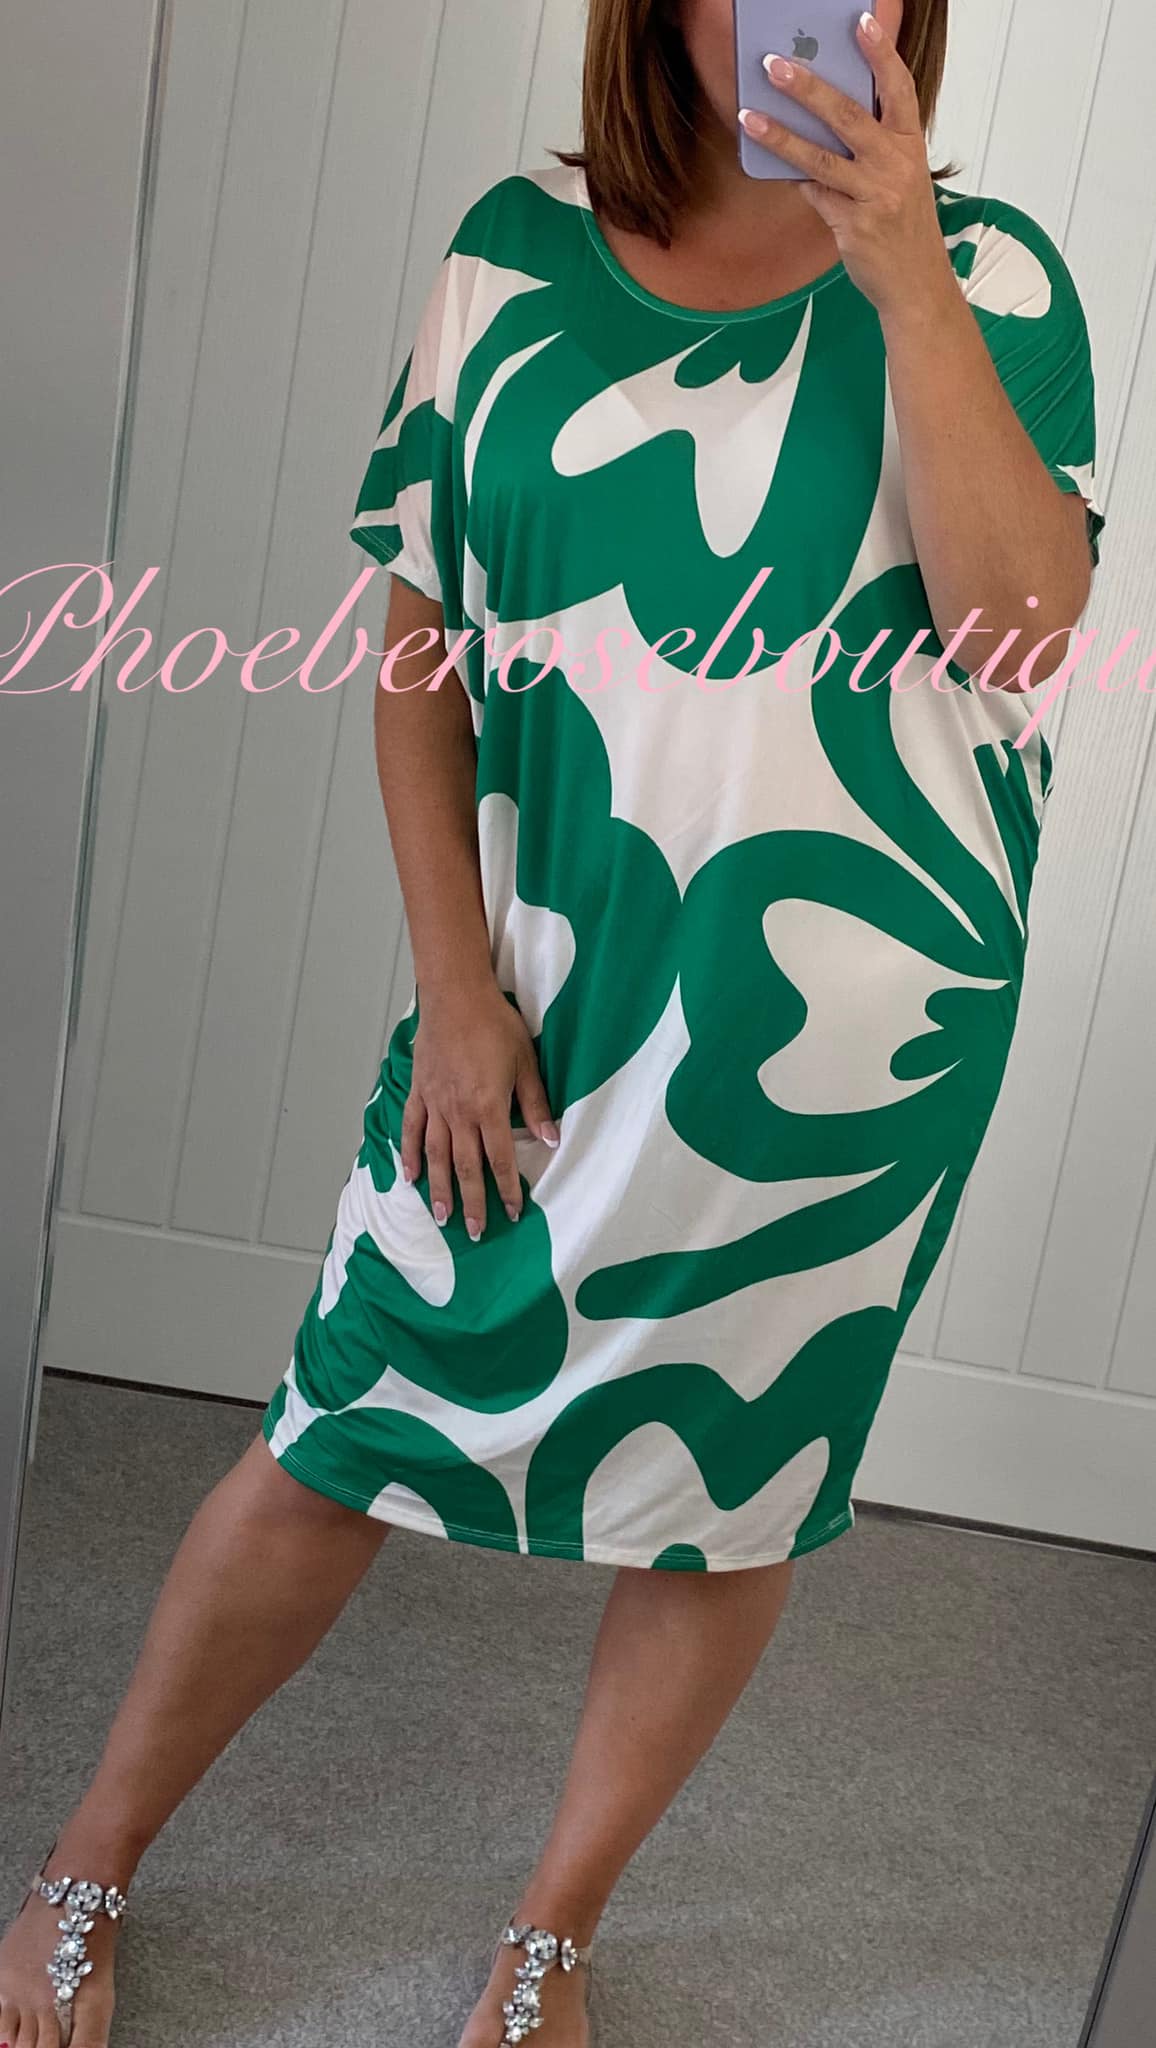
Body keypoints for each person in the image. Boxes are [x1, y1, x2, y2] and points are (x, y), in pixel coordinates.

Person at [1, 0, 1105, 2042]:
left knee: (722, 1501)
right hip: (545, 1001)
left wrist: (905, 280)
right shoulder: (512, 253)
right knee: (335, 1436)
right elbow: (415, 651)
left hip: (844, 1063)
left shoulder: (996, 279)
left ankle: (549, 1940)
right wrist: (450, 989)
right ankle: (86, 1862)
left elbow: (1020, 641)